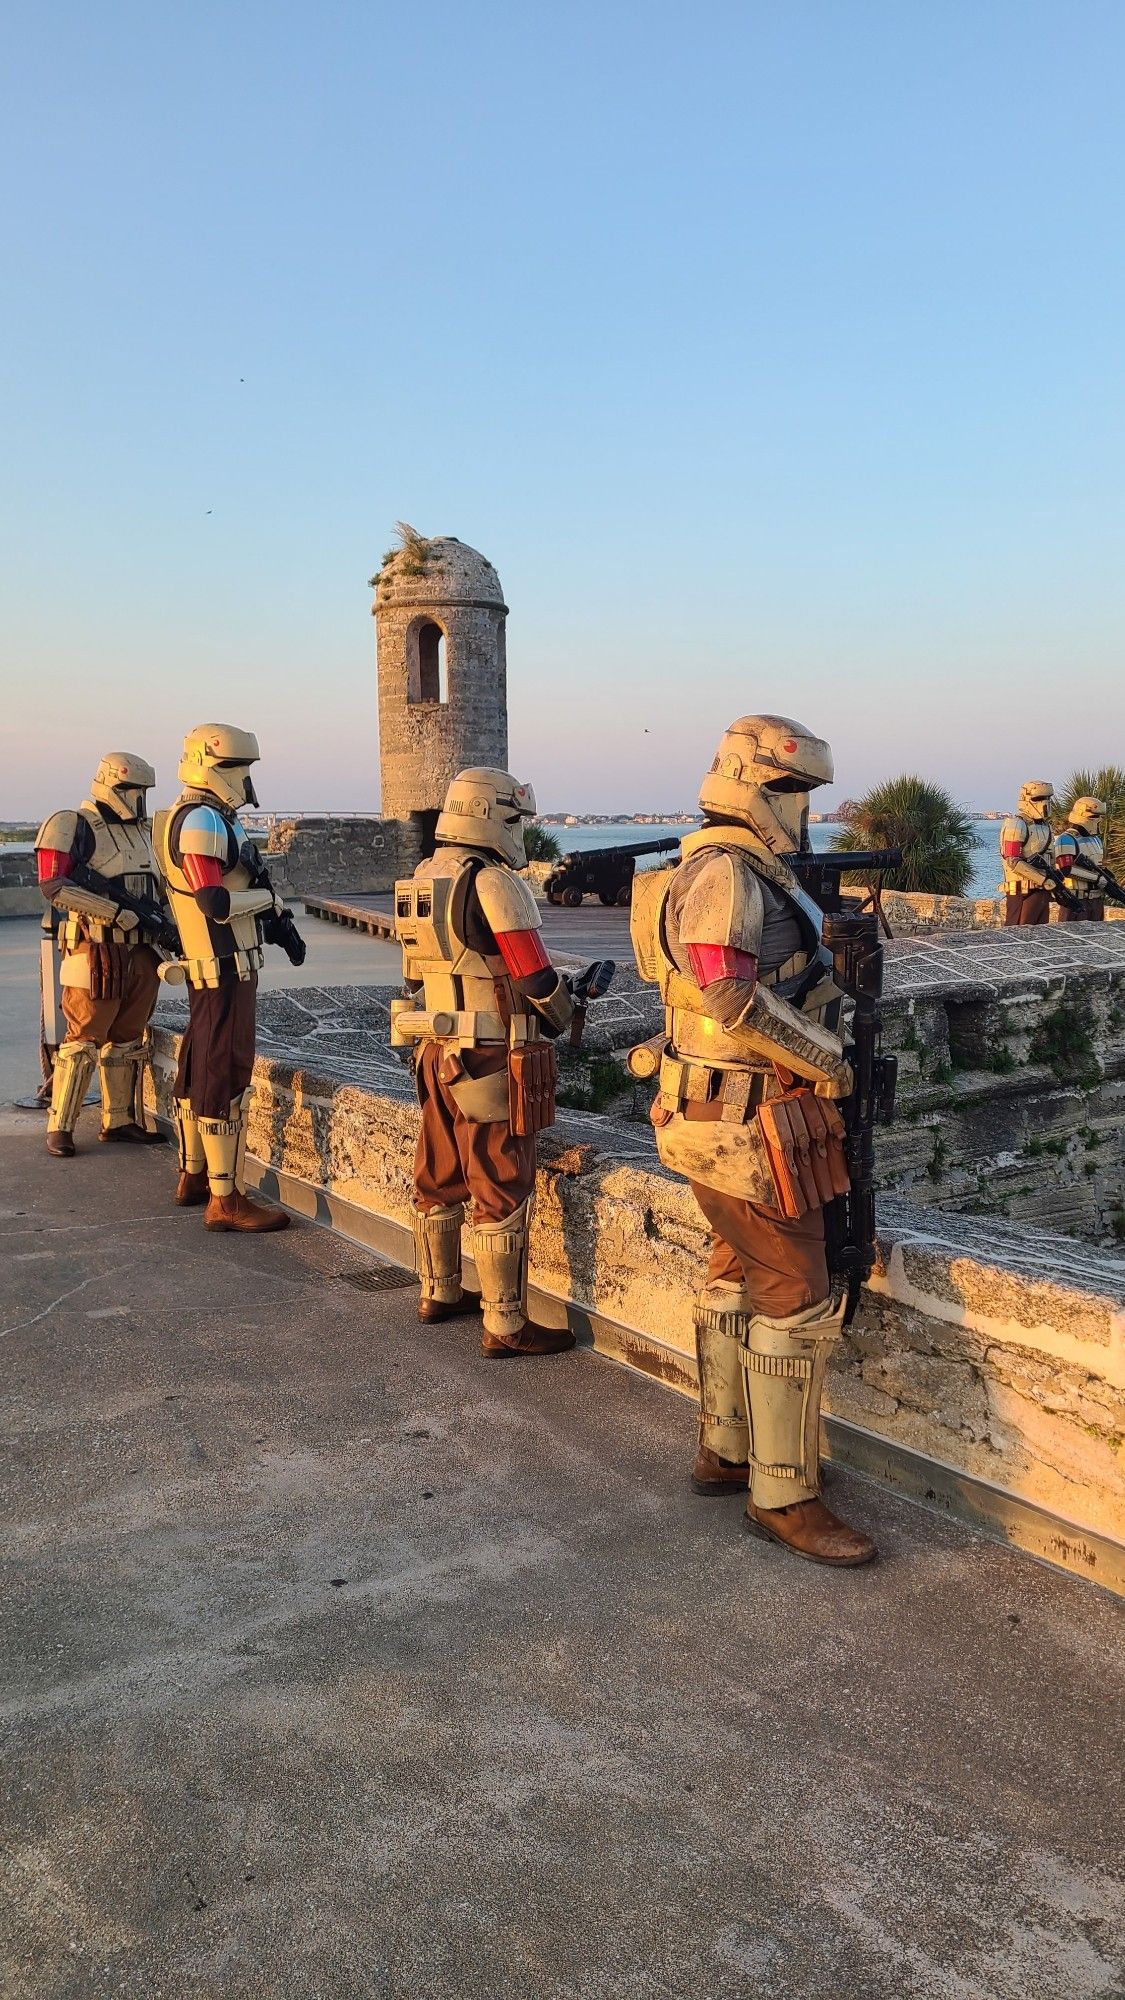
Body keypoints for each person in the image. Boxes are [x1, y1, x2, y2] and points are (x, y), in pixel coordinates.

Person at [629, 714, 876, 1566]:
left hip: (721, 1108)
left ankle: (724, 1449)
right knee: (796, 1290)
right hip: (746, 1115)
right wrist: (829, 1060)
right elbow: (726, 995)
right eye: (793, 791)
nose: (802, 809)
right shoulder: (727, 873)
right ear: (756, 787)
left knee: (735, 1272)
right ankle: (783, 1494)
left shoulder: (711, 867)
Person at [391, 767, 576, 1357]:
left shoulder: (426, 875)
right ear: (494, 815)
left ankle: (439, 1291)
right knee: (500, 1178)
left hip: (435, 1049)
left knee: (440, 1171)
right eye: (516, 818)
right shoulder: (493, 882)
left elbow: (412, 974)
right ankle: (505, 1323)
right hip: (492, 1050)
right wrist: (566, 1013)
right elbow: (534, 972)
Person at [153, 724, 302, 1232]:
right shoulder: (202, 821)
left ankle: (195, 1174)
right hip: (222, 966)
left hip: (215, 965)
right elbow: (214, 903)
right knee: (224, 1070)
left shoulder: (202, 817)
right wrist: (271, 902)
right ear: (214, 766)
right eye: (239, 768)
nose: (244, 779)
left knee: (199, 1063)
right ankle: (226, 1197)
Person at [35, 752, 175, 1157]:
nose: (138, 798)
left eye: (142, 791)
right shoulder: (74, 825)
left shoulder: (146, 832)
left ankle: (120, 1119)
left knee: (128, 1038)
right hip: (95, 946)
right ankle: (60, 1125)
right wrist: (116, 912)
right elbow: (53, 884)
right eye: (132, 790)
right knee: (83, 1037)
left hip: (143, 949)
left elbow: (159, 888)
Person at [999, 781, 1057, 924]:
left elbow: (1051, 858)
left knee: (1040, 934)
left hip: (1043, 890)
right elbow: (1013, 861)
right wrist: (1043, 880)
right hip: (1021, 891)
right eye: (1038, 798)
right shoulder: (1017, 824)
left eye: (1048, 798)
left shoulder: (1045, 827)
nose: (1044, 802)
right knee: (1018, 932)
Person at [1053, 797, 1107, 921]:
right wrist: (1097, 878)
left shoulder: (1095, 839)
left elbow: (1099, 866)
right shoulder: (1066, 839)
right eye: (1094, 817)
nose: (1098, 820)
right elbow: (1066, 869)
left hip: (1096, 900)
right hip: (1075, 900)